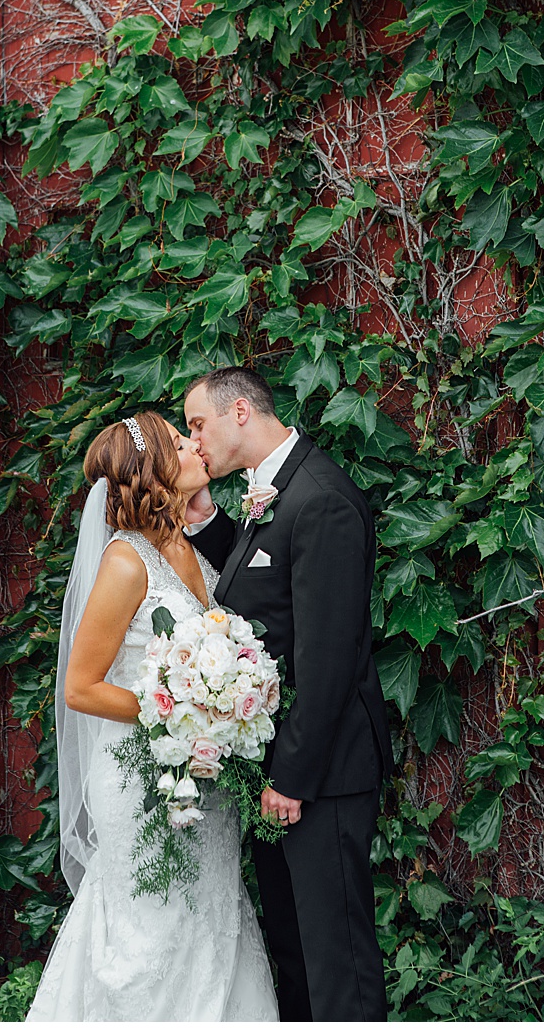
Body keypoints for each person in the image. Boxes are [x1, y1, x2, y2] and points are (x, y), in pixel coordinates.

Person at [28, 412, 277, 1022]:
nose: (194, 444)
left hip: (203, 777)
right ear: (154, 471)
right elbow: (80, 687)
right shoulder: (126, 562)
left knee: (212, 917)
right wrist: (177, 713)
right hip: (143, 781)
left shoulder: (190, 546)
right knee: (149, 934)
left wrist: (217, 712)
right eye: (177, 441)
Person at [183, 366, 392, 1022]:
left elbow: (326, 660)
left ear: (239, 411)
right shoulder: (269, 488)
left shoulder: (321, 496)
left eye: (197, 424)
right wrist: (209, 524)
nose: (195, 440)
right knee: (297, 955)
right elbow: (262, 591)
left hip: (321, 774)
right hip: (281, 769)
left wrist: (293, 781)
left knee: (339, 965)